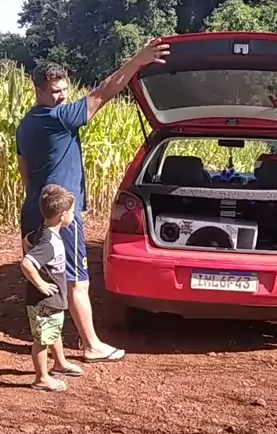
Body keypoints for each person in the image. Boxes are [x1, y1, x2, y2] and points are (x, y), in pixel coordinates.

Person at [16, 37, 170, 363]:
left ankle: (49, 348)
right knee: (76, 280)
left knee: (47, 280)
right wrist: (138, 60)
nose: (62, 96)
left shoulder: (26, 124)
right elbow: (105, 91)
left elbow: (24, 171)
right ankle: (91, 345)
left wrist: (41, 201)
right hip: (61, 214)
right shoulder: (59, 117)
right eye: (55, 91)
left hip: (35, 209)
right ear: (39, 91)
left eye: (64, 89)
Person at [21, 184, 81, 393]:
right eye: (72, 212)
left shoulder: (43, 232)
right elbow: (27, 263)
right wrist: (41, 284)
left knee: (54, 332)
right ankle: (42, 378)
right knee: (42, 340)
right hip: (44, 302)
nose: (73, 215)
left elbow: (27, 241)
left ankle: (60, 363)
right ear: (62, 216)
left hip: (52, 301)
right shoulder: (49, 243)